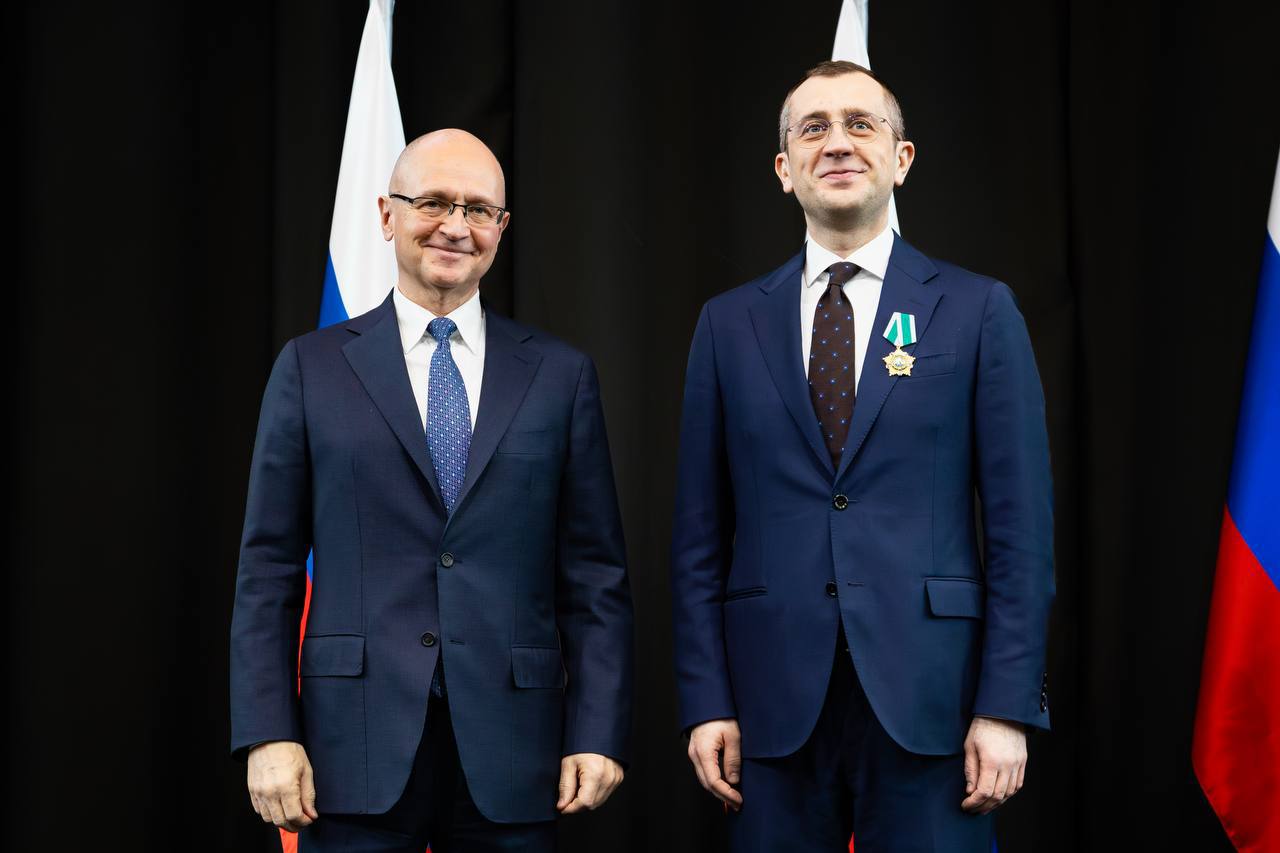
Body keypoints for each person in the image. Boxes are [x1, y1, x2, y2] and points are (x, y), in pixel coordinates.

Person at [670, 61, 1054, 852]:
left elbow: (1022, 531)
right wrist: (706, 700)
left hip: (937, 705)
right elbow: (698, 536)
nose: (837, 143)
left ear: (901, 158)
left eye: (860, 124)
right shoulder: (727, 324)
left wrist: (1006, 704)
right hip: (772, 708)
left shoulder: (978, 310)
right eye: (813, 128)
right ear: (785, 168)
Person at [230, 129, 633, 852]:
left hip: (517, 749)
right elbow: (268, 568)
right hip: (350, 746)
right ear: (387, 215)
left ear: (501, 229)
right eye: (434, 203)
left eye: (478, 209)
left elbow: (595, 575)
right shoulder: (311, 368)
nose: (455, 225)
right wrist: (267, 731)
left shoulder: (560, 375)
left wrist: (597, 730)